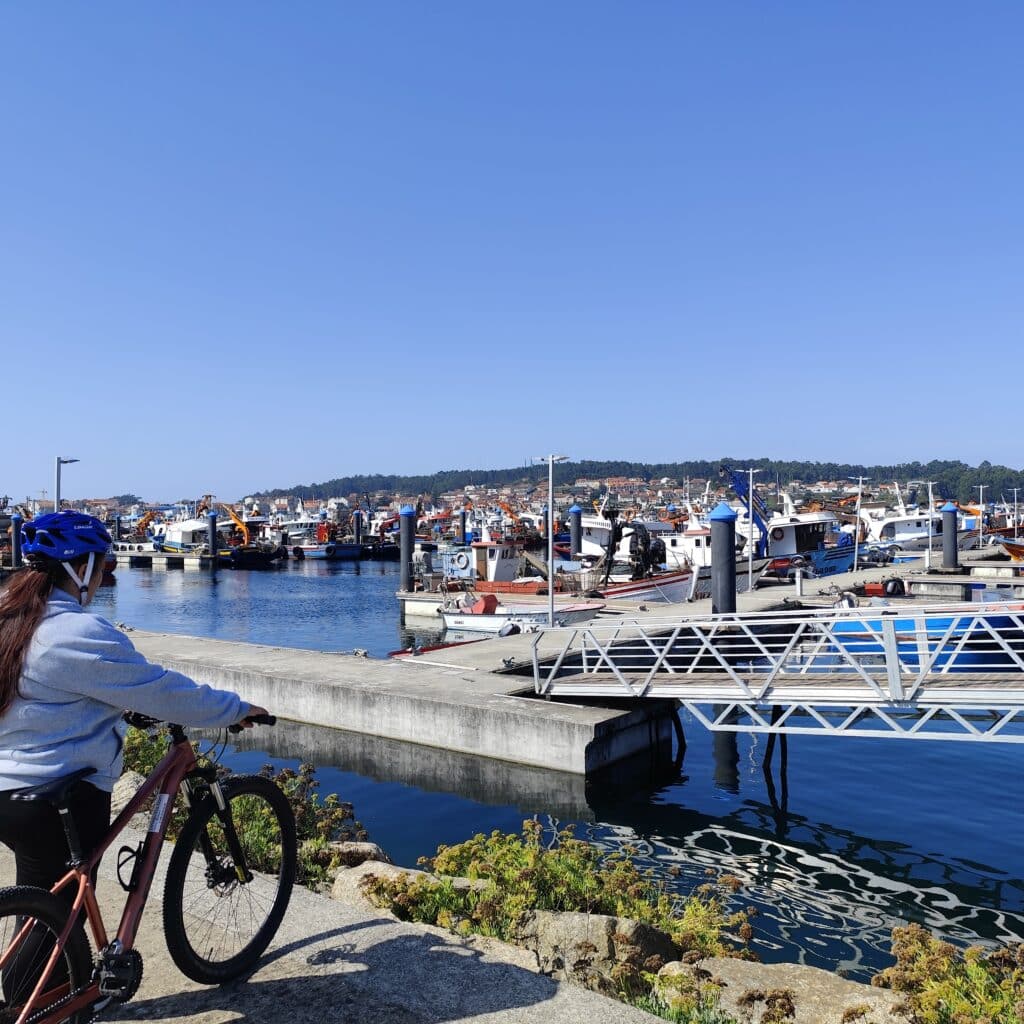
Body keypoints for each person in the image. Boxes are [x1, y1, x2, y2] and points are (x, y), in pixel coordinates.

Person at [0, 510, 268, 898]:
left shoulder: (11, 619)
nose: (104, 576)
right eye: (103, 565)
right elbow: (163, 691)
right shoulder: (77, 632)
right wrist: (236, 709)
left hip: (8, 790)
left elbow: (43, 692)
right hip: (55, 797)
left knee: (41, 902)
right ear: (81, 567)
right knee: (54, 932)